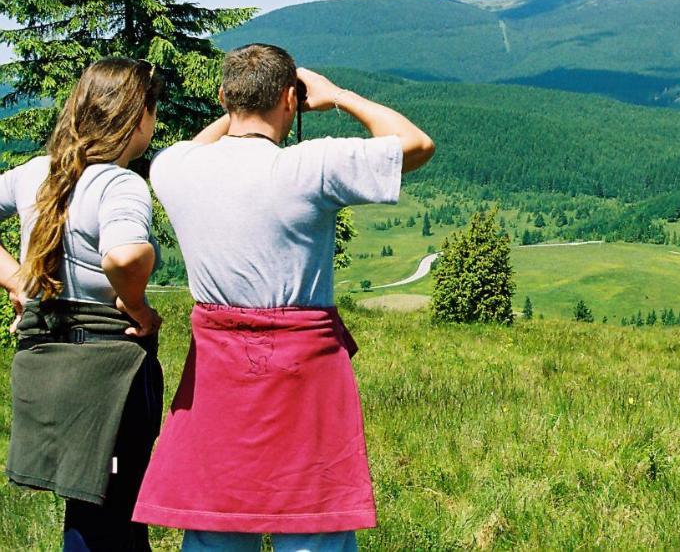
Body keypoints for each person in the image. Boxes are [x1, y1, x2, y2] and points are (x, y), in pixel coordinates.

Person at [132, 43, 434, 552]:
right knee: (315, 521)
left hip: (217, 368)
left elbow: (197, 146)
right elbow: (416, 143)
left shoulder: (173, 167)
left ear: (225, 97)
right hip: (305, 365)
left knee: (216, 521)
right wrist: (337, 96)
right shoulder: (312, 165)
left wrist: (230, 114)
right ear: (291, 101)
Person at [0, 58, 165, 552]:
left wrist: (18, 282)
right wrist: (136, 306)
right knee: (113, 515)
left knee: (88, 507)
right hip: (108, 374)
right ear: (139, 118)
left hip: (46, 365)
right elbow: (125, 253)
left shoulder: (36, 174)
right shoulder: (120, 184)